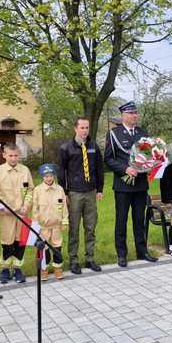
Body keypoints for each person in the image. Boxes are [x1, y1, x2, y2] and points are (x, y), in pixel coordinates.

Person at [104, 101, 158, 267]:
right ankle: (122, 254)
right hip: (123, 185)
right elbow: (108, 159)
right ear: (124, 116)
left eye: (136, 113)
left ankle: (142, 251)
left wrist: (150, 165)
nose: (135, 116)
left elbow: (148, 155)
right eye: (131, 113)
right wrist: (125, 169)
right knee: (121, 220)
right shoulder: (114, 134)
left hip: (140, 184)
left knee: (139, 220)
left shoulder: (142, 132)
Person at [58, 117, 104, 275]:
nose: (85, 131)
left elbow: (99, 169)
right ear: (75, 129)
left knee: (90, 227)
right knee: (74, 228)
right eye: (82, 128)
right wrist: (64, 192)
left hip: (90, 192)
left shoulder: (94, 146)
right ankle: (74, 260)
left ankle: (90, 258)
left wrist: (100, 189)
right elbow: (61, 172)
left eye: (87, 127)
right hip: (75, 193)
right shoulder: (66, 148)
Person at [0, 143, 34, 284]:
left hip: (21, 213)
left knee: (19, 241)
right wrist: (2, 205)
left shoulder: (25, 170)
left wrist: (26, 205)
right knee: (7, 242)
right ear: (4, 155)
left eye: (16, 155)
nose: (14, 158)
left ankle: (17, 268)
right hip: (6, 214)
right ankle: (5, 269)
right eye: (10, 155)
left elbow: (30, 190)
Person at [32, 163, 69, 281]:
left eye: (51, 175)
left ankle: (58, 268)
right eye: (46, 176)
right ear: (42, 177)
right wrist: (36, 224)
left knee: (57, 247)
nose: (49, 178)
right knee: (44, 249)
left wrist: (64, 221)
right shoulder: (38, 190)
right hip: (43, 227)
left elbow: (64, 206)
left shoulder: (59, 189)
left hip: (57, 225)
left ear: (54, 176)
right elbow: (35, 208)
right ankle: (44, 269)